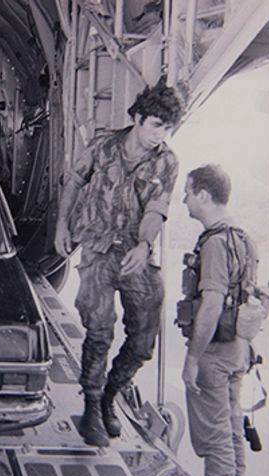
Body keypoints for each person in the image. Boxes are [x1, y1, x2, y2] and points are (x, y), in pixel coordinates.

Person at [54, 81, 183, 447]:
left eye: (167, 128)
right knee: (98, 331)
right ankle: (92, 404)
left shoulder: (166, 161)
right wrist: (62, 224)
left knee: (143, 340)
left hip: (133, 251)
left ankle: (112, 393)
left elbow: (156, 208)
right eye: (156, 125)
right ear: (138, 118)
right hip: (96, 249)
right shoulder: (102, 145)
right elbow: (73, 183)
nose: (161, 134)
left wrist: (144, 244)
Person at [168, 165, 264, 476]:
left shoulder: (214, 243)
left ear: (204, 195)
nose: (185, 200)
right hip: (237, 348)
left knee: (215, 436)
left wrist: (192, 359)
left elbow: (210, 305)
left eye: (189, 192)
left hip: (214, 352)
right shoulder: (243, 238)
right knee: (232, 429)